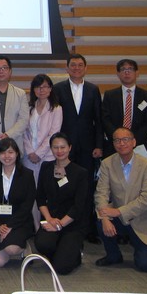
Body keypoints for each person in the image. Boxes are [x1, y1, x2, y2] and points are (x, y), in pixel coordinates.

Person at [94, 126, 147, 272]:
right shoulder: (107, 164)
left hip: (143, 220)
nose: (121, 143)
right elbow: (101, 193)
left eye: (125, 139)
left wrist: (118, 211)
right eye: (117, 140)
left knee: (145, 266)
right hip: (119, 218)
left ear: (134, 142)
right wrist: (105, 219)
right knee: (100, 220)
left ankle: (142, 249)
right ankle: (113, 255)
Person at [52, 53, 102, 242]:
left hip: (88, 148)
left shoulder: (92, 89)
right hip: (64, 149)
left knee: (86, 188)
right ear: (67, 68)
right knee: (65, 187)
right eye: (73, 65)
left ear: (85, 68)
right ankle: (64, 225)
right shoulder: (58, 89)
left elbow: (98, 120)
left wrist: (98, 145)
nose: (76, 68)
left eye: (80, 65)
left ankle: (87, 229)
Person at [35, 133, 89, 274]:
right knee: (41, 243)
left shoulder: (80, 173)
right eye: (55, 147)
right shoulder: (46, 168)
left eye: (63, 147)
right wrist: (49, 219)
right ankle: (63, 252)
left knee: (61, 268)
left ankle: (74, 253)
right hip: (51, 220)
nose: (59, 151)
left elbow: (79, 207)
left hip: (72, 223)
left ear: (70, 148)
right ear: (51, 149)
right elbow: (40, 198)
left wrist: (60, 225)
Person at [0, 138, 35, 268]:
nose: (7, 156)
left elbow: (27, 206)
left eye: (11, 152)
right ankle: (9, 245)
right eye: (3, 153)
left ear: (17, 154)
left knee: (12, 249)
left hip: (19, 222)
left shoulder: (27, 175)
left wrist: (9, 227)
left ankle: (24, 247)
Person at [101, 59, 147, 156]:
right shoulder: (110, 95)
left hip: (139, 144)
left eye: (130, 69)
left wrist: (132, 140)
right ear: (118, 74)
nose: (127, 72)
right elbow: (105, 120)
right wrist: (119, 139)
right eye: (123, 69)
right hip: (115, 145)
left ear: (137, 73)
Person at [21, 74, 63, 181]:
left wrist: (39, 153)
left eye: (45, 86)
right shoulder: (29, 107)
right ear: (33, 89)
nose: (41, 90)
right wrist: (30, 152)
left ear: (50, 89)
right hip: (29, 155)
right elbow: (24, 131)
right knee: (30, 185)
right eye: (38, 87)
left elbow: (53, 134)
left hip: (47, 155)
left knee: (46, 186)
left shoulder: (57, 109)